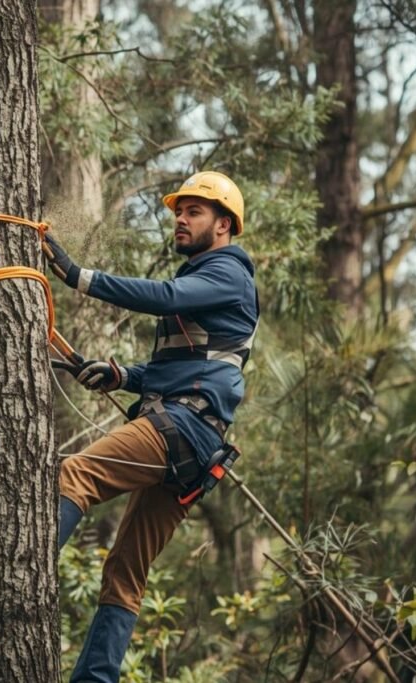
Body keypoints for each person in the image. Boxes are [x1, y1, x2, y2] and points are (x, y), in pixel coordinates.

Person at [44, 171, 259, 682]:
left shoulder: (228, 271)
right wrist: (123, 376)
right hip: (192, 444)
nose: (180, 220)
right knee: (125, 572)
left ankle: (16, 577)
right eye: (178, 212)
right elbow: (183, 367)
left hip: (181, 428)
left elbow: (162, 296)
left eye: (194, 213)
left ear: (224, 224)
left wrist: (78, 276)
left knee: (75, 476)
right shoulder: (209, 281)